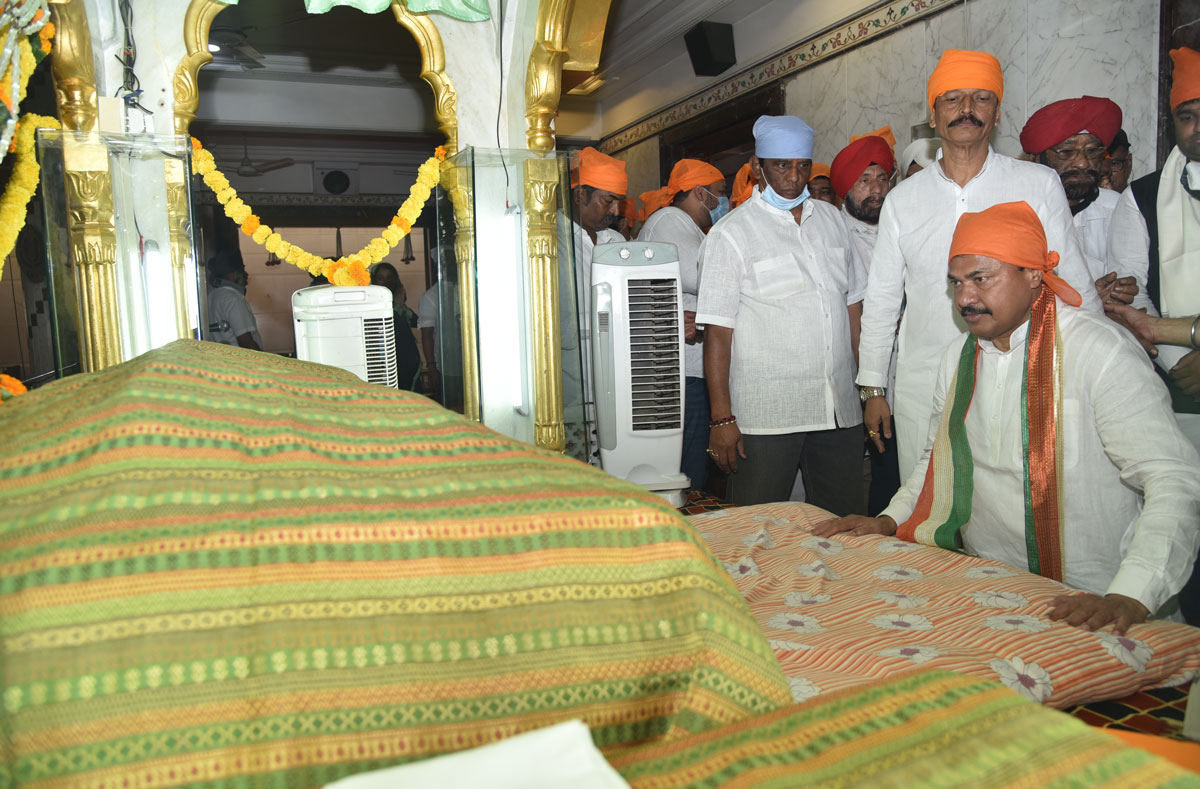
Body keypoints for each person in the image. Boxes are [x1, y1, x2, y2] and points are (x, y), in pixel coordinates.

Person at [816, 202, 1200, 635]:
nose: (964, 298)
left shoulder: (1100, 351)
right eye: (956, 283)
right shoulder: (957, 360)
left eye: (981, 279)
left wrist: (1133, 592)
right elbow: (936, 461)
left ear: (1033, 275)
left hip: (1104, 602)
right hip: (995, 593)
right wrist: (889, 520)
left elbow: (1173, 478)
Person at [857, 49, 1102, 483]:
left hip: (1019, 377)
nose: (966, 110)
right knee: (925, 504)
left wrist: (1093, 373)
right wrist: (874, 388)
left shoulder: (1037, 184)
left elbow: (1072, 286)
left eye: (981, 98)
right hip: (922, 382)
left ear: (997, 113)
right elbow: (881, 301)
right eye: (952, 99)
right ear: (934, 116)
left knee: (1003, 507)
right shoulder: (903, 200)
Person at [696, 115, 867, 513]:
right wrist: (722, 420)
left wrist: (868, 389)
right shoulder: (732, 234)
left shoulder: (832, 221)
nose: (793, 177)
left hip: (837, 409)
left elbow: (853, 307)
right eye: (781, 165)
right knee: (760, 528)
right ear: (758, 167)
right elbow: (718, 334)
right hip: (767, 416)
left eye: (802, 166)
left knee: (843, 523)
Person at [1107, 46, 1200, 454]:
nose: (1198, 127)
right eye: (1187, 117)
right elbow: (1132, 291)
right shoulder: (1142, 197)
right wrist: (1182, 363)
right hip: (1178, 386)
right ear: (1173, 123)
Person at [638, 158, 728, 490]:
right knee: (687, 471)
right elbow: (706, 278)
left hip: (686, 368)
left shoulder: (687, 226)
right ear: (700, 193)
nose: (723, 203)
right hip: (681, 373)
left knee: (690, 467)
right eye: (719, 194)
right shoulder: (670, 220)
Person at [830, 131, 900, 514]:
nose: (876, 190)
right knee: (875, 470)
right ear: (846, 187)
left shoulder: (899, 223)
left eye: (882, 179)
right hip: (860, 370)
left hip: (905, 368)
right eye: (865, 180)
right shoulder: (835, 234)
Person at [1019, 96, 1137, 306]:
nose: (1083, 163)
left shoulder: (1119, 208)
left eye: (1092, 151)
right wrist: (1088, 299)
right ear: (1036, 159)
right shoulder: (1017, 212)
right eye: (1066, 152)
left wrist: (1124, 293)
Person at [561, 146, 627, 464]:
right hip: (572, 381)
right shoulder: (554, 241)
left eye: (619, 201)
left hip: (616, 375)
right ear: (579, 195)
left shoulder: (618, 242)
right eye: (607, 200)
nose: (615, 210)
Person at [371, 262, 422, 391]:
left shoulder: (400, 306)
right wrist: (398, 307)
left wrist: (401, 306)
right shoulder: (370, 305)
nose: (386, 282)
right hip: (383, 364)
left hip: (407, 362)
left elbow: (417, 323)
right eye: (380, 278)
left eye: (389, 278)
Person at [206, 249, 261, 350]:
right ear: (232, 274)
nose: (246, 275)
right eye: (242, 270)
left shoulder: (212, 296)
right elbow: (245, 341)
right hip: (241, 363)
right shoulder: (233, 298)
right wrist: (264, 362)